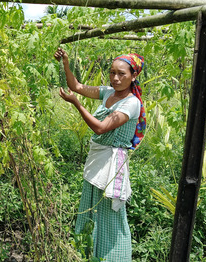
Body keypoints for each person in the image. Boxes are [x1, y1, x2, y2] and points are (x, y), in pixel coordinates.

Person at [54, 47, 146, 261]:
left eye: (121, 74)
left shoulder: (131, 102)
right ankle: (90, 254)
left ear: (133, 76)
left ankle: (114, 257)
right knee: (91, 209)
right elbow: (76, 86)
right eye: (112, 72)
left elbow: (101, 128)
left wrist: (76, 103)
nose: (115, 78)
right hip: (98, 162)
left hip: (111, 167)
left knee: (110, 216)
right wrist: (66, 62)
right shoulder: (107, 93)